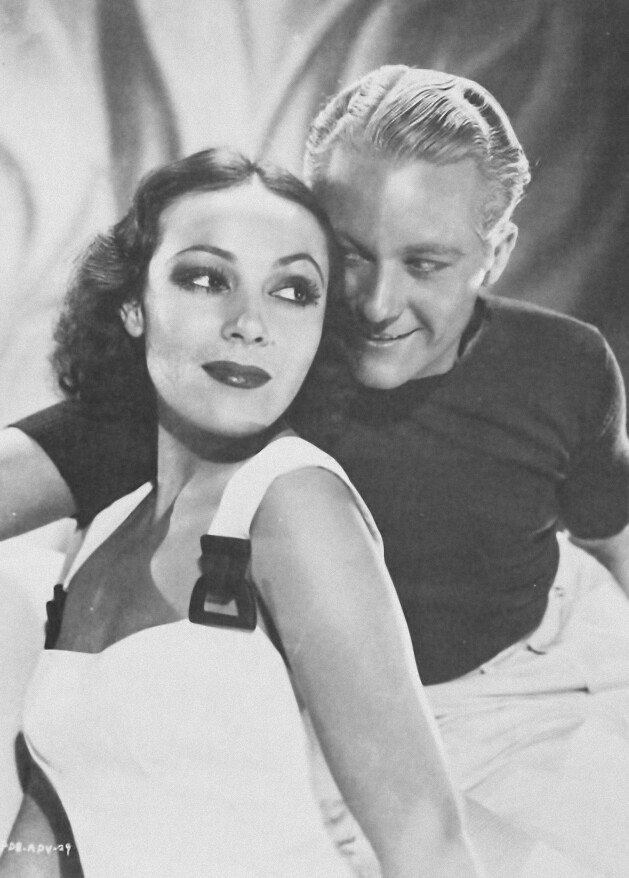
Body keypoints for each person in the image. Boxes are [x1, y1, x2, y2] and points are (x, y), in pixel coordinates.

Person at [2, 66, 629, 874]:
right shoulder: (240, 378)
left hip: (528, 689)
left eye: (426, 263)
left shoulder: (564, 364)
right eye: (350, 255)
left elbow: (609, 537)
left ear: (496, 252)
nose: (375, 303)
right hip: (326, 727)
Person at [0, 147, 481, 878]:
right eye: (205, 279)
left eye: (293, 291)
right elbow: (46, 830)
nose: (250, 324)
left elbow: (427, 846)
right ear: (133, 306)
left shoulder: (293, 502)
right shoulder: (104, 530)